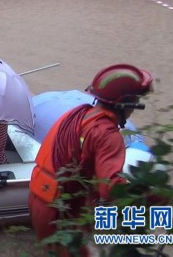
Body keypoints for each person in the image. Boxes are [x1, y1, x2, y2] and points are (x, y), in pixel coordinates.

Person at [28, 64, 153, 256]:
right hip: (59, 209)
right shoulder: (107, 134)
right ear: (124, 104)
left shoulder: (78, 114)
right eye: (135, 102)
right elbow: (111, 188)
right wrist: (150, 195)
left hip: (40, 196)